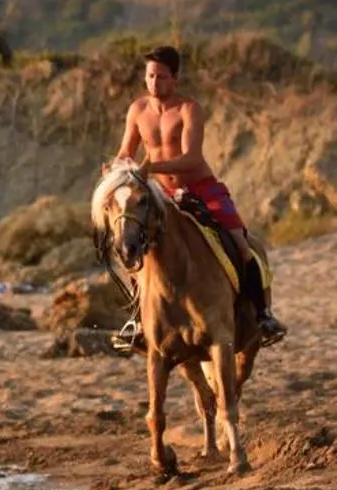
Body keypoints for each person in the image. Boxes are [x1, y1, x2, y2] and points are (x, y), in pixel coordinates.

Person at [114, 44, 285, 345]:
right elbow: (126, 152)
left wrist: (150, 166)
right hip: (161, 193)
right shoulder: (137, 111)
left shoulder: (189, 109)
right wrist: (116, 167)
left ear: (175, 77)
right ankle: (138, 322)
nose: (155, 83)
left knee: (242, 244)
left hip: (201, 188)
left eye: (162, 77)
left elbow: (192, 158)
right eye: (150, 76)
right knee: (133, 251)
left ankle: (262, 314)